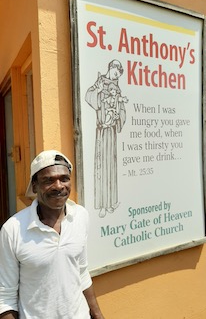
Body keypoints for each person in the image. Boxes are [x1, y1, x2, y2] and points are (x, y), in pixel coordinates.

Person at [0, 150, 105, 319]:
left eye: (64, 178)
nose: (58, 186)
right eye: (48, 180)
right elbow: (5, 296)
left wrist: (97, 314)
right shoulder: (13, 229)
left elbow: (81, 272)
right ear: (34, 186)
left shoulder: (80, 216)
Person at [85, 60, 128, 218]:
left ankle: (111, 203)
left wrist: (118, 116)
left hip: (112, 132)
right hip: (102, 132)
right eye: (116, 73)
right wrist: (97, 90)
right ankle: (102, 204)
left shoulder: (117, 87)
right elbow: (89, 97)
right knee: (102, 167)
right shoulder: (100, 82)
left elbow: (121, 108)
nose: (117, 77)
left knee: (111, 167)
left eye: (119, 75)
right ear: (111, 68)